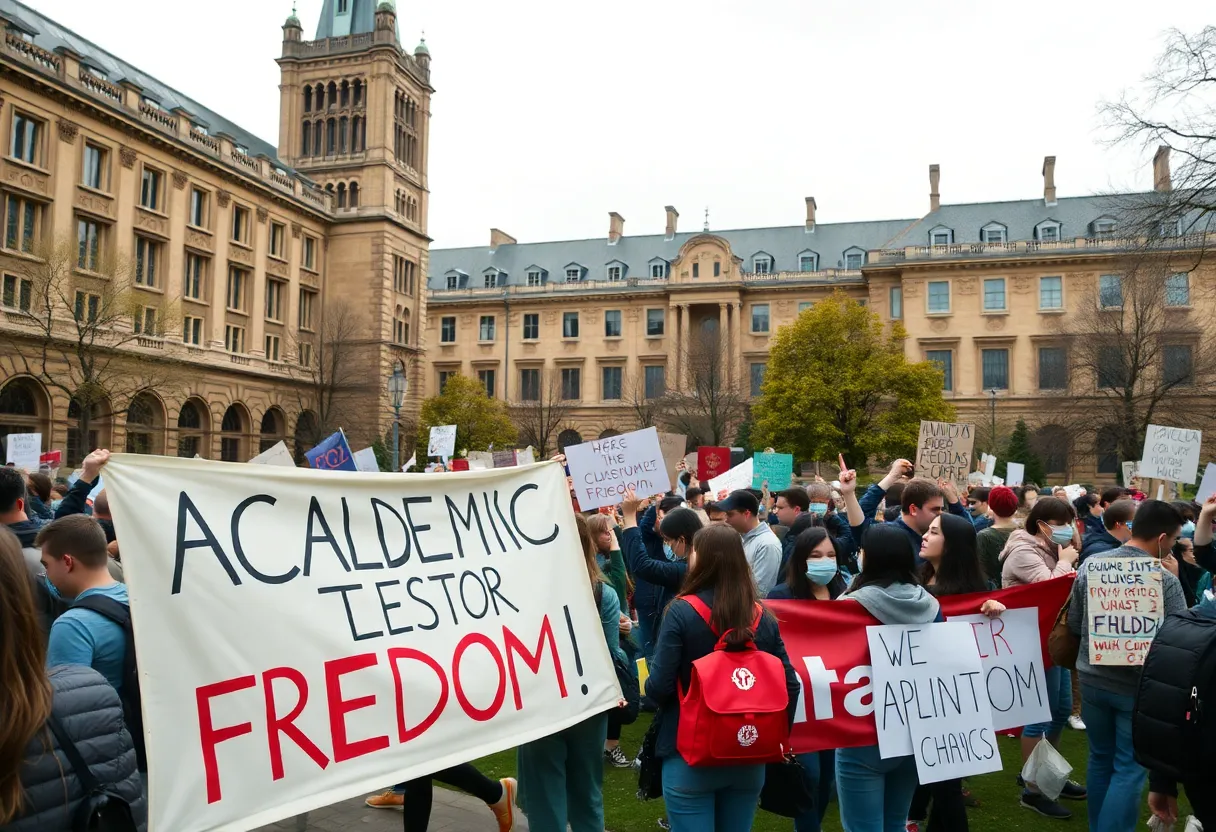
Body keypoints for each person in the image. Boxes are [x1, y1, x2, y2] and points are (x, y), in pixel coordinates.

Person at [645, 523, 800, 831]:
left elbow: (659, 686)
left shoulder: (680, 611)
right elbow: (790, 685)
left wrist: (651, 686)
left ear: (700, 559)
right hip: (749, 751)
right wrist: (777, 734)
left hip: (690, 752)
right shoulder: (762, 616)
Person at [0, 527, 146, 831]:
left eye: (46, 565)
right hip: (126, 745)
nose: (45, 574)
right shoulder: (135, 598)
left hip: (84, 753)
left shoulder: (73, 624)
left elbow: (56, 706)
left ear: (67, 561)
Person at [1067, 500, 1188, 832]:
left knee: (1100, 759)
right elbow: (1179, 637)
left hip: (1093, 681)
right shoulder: (1165, 580)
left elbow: (1075, 622)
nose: (1174, 546)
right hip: (1138, 688)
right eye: (1175, 540)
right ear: (1163, 537)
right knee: (1129, 767)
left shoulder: (1092, 565)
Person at [516, 512, 624, 832]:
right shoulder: (603, 593)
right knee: (586, 795)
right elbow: (610, 655)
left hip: (543, 705)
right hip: (589, 705)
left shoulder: (523, 594)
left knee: (545, 798)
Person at [835, 524, 941, 832]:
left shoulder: (850, 605)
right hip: (914, 729)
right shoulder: (930, 604)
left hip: (862, 729)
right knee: (895, 823)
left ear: (873, 558)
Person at [907, 513, 1006, 832]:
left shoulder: (973, 591)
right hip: (921, 694)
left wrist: (991, 606)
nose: (925, 535)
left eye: (934, 532)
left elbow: (991, 622)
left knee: (945, 784)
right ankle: (916, 818)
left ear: (952, 546)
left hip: (957, 700)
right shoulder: (917, 581)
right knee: (936, 778)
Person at [999, 496, 1085, 819]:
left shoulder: (1050, 548)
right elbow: (1049, 588)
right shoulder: (1023, 552)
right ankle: (1033, 790)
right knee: (1039, 716)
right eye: (1062, 524)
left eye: (1070, 523)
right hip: (1030, 640)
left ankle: (1049, 776)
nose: (1068, 530)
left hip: (1049, 640)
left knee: (1061, 708)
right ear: (1042, 525)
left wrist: (1066, 552)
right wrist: (1065, 562)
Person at [767, 526, 847, 832]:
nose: (825, 561)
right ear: (801, 559)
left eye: (830, 555)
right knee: (809, 775)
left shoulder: (846, 594)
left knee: (827, 778)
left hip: (838, 700)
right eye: (816, 555)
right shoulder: (780, 596)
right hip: (799, 702)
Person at [719, 489, 782, 595]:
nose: (726, 519)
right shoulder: (740, 537)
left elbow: (759, 591)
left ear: (746, 514)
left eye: (730, 515)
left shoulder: (767, 545)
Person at [976, 485, 1019, 587]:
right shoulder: (1024, 531)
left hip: (995, 593)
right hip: (1017, 589)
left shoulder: (984, 536)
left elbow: (980, 572)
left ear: (991, 506)